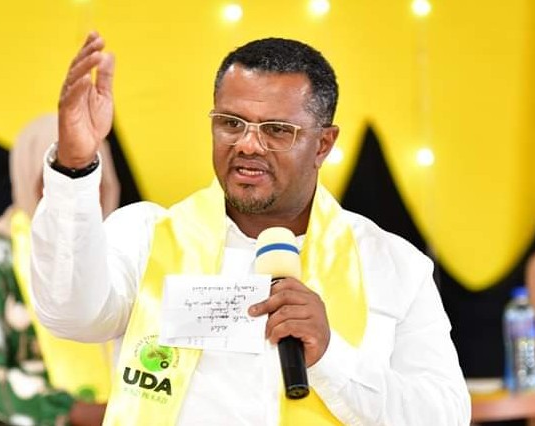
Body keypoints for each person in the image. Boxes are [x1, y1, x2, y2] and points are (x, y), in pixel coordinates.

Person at [30, 32, 470, 425]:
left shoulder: (392, 263)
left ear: (323, 144)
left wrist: (330, 356)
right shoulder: (147, 235)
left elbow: (445, 415)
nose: (248, 144)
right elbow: (70, 315)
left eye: (276, 130)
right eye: (231, 123)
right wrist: (74, 165)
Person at [0, 114, 121, 426]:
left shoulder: (128, 252)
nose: (76, 193)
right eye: (62, 178)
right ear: (29, 178)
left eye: (90, 177)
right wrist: (78, 413)